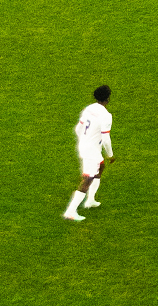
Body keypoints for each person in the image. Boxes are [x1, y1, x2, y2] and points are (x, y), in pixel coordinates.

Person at [62, 85, 115, 221]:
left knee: (101, 166)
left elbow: (78, 129)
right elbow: (106, 139)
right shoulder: (106, 116)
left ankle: (90, 200)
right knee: (88, 179)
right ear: (108, 99)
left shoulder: (89, 109)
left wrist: (85, 141)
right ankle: (70, 211)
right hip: (91, 150)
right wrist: (110, 155)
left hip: (86, 146)